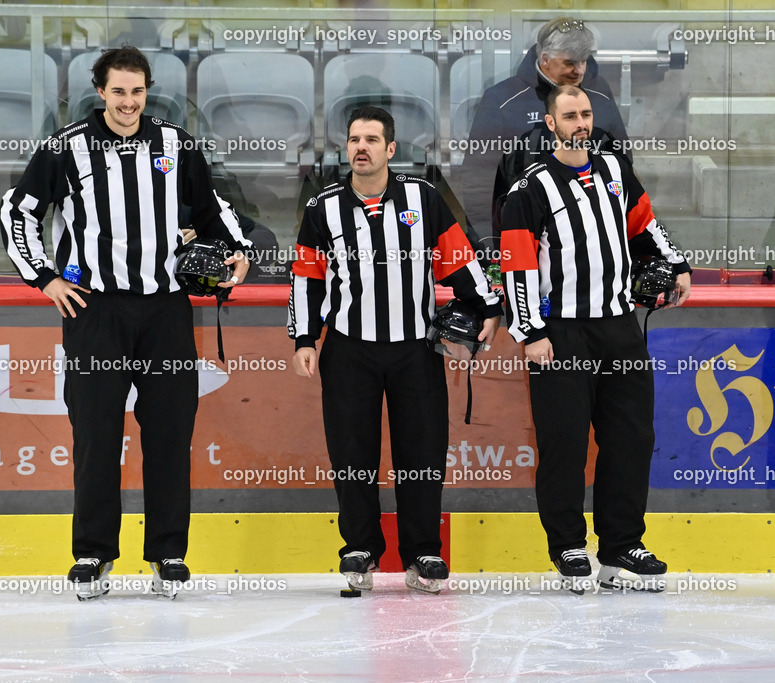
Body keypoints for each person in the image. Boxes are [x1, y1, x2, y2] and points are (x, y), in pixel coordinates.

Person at [0, 46, 252, 599]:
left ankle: (168, 554)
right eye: (118, 91)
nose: (129, 102)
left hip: (165, 311)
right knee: (96, 436)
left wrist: (237, 250)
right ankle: (92, 553)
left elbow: (213, 208)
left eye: (137, 91)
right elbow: (17, 210)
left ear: (147, 91)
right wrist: (44, 278)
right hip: (96, 311)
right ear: (100, 92)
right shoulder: (66, 148)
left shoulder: (174, 144)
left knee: (169, 435)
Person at [288, 105, 502, 594]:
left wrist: (490, 306)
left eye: (371, 140)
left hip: (415, 348)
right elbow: (307, 278)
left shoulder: (421, 197)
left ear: (390, 148)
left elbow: (457, 258)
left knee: (422, 452)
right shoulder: (324, 207)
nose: (361, 148)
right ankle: (359, 549)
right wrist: (304, 337)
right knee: (352, 453)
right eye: (354, 139)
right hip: (348, 349)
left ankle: (423, 552)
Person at [499, 85, 691, 592]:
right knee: (563, 444)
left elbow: (647, 225)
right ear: (549, 124)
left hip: (619, 328)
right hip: (561, 335)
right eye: (570, 115)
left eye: (585, 113)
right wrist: (530, 332)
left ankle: (621, 544)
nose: (580, 122)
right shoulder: (529, 191)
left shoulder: (613, 171)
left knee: (631, 439)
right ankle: (567, 544)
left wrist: (676, 265)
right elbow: (515, 268)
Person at [461, 16, 629, 245]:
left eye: (584, 61)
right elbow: (478, 178)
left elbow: (622, 163)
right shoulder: (503, 100)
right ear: (545, 59)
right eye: (570, 63)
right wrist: (488, 242)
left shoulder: (599, 93)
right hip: (525, 232)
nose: (578, 71)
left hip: (592, 233)